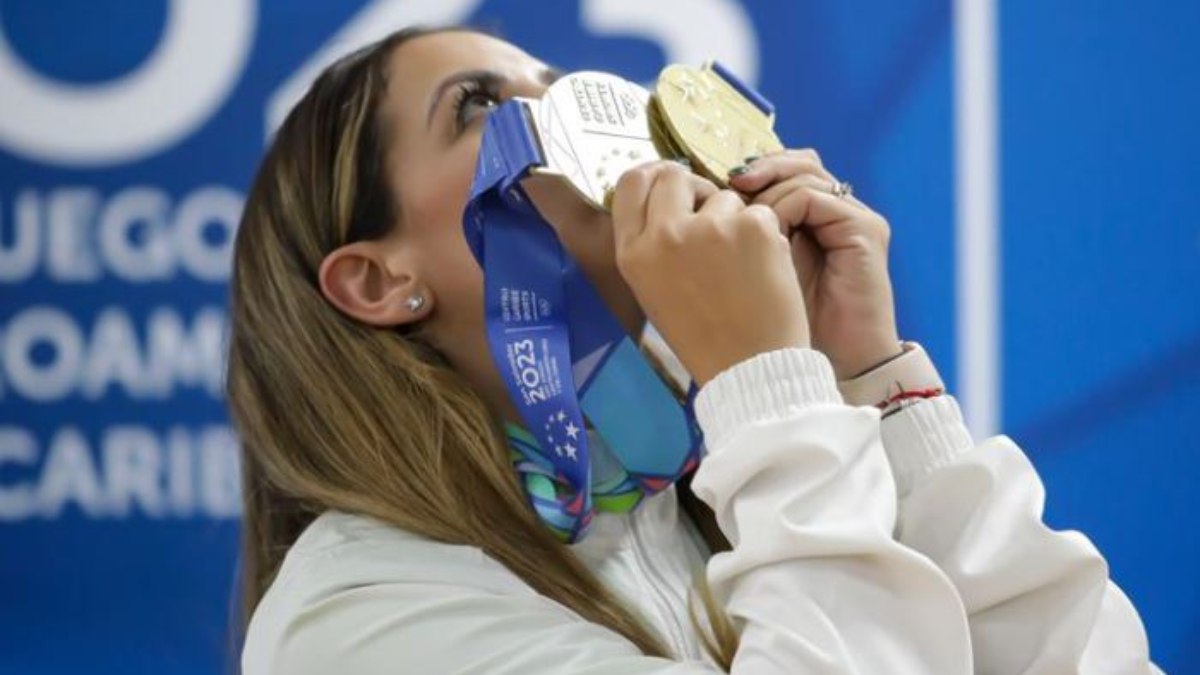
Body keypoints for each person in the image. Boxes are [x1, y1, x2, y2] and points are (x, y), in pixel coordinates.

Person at [230, 26, 1159, 673]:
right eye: (479, 105)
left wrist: (866, 380)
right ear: (379, 281)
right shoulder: (362, 618)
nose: (576, 112)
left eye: (554, 83)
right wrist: (768, 392)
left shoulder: (694, 500)